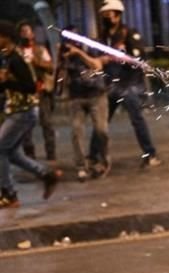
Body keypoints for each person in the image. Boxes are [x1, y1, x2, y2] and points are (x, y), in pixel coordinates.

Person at [0, 20, 60, 210]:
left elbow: (30, 87)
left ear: (5, 38)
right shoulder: (7, 57)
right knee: (13, 154)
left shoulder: (17, 59)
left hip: (24, 112)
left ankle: (8, 193)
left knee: (0, 149)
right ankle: (46, 175)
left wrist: (6, 82)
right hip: (16, 111)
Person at [96, 0, 160, 168]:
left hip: (129, 85)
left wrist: (122, 58)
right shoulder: (103, 37)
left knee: (137, 120)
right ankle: (94, 156)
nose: (105, 18)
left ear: (117, 15)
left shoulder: (129, 33)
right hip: (110, 85)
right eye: (103, 15)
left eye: (108, 14)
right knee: (101, 122)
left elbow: (141, 59)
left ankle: (150, 154)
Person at [60, 37, 110, 181]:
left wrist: (79, 53)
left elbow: (97, 66)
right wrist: (61, 61)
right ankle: (81, 166)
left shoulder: (92, 48)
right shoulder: (66, 56)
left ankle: (103, 162)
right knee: (76, 130)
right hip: (76, 98)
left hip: (97, 95)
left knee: (101, 131)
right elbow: (60, 78)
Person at [17, 21, 56, 162]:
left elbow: (50, 66)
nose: (26, 34)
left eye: (28, 31)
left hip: (41, 91)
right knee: (26, 127)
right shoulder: (17, 52)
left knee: (47, 123)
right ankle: (29, 154)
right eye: (23, 32)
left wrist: (36, 62)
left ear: (33, 33)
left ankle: (51, 154)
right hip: (25, 93)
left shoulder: (40, 49)